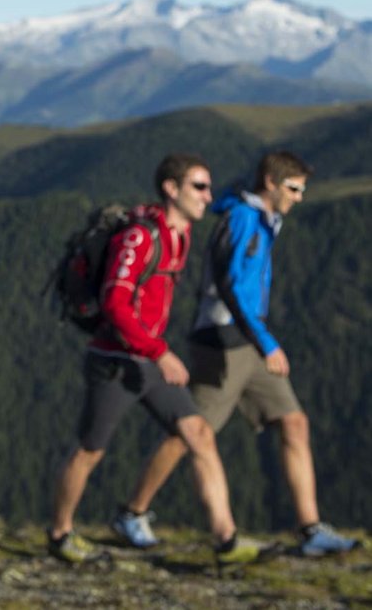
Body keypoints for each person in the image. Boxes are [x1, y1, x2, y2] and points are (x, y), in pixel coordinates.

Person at [119, 151, 357, 557]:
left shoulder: (262, 219)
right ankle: (132, 512)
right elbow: (230, 286)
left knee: (294, 422)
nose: (300, 198)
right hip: (224, 342)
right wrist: (266, 342)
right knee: (190, 432)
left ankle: (311, 529)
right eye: (294, 188)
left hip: (246, 339)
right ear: (270, 183)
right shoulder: (245, 220)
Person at [49, 153, 261, 565]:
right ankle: (59, 534)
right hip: (115, 362)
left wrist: (156, 352)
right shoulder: (141, 237)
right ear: (171, 188)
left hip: (148, 360)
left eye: (208, 187)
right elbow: (114, 301)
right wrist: (158, 351)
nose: (207, 196)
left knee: (198, 434)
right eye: (199, 186)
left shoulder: (179, 236)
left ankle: (227, 540)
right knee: (90, 450)